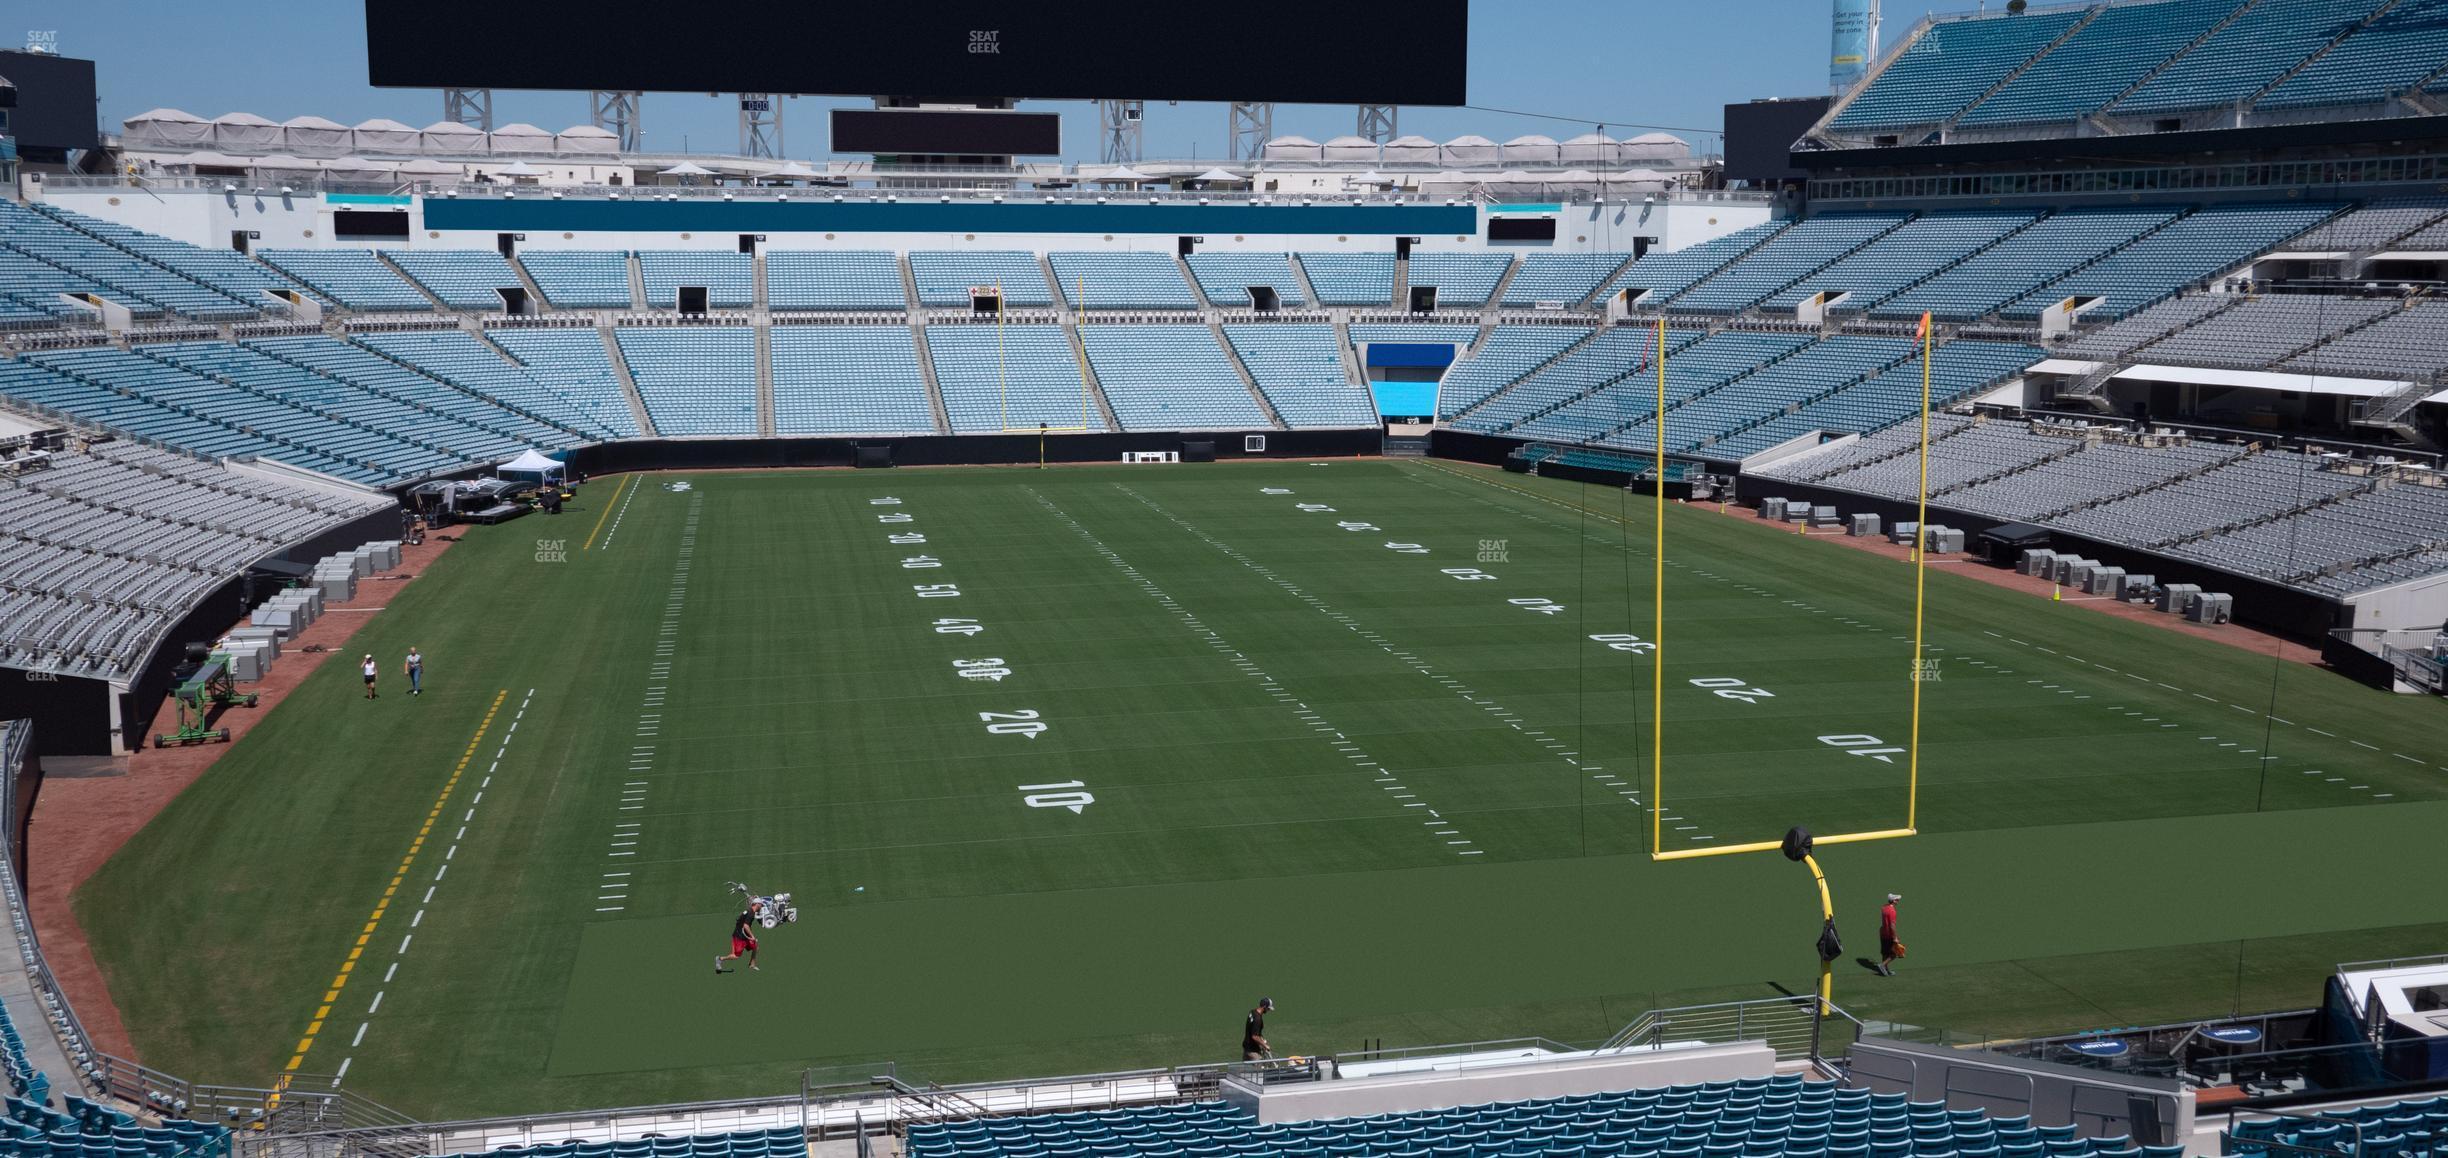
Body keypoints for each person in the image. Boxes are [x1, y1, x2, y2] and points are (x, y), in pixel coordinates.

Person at [717, 908, 759, 974]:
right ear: (757, 904)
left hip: (744, 935)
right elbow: (746, 926)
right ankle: (720, 959)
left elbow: (740, 921)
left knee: (755, 946)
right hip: (739, 937)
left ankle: (752, 964)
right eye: (761, 904)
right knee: (735, 956)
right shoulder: (750, 913)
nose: (762, 906)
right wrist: (752, 936)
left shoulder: (748, 911)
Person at [1878, 894, 1905, 976]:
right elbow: (1892, 926)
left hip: (1882, 933)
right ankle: (1882, 965)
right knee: (1895, 953)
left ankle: (1885, 970)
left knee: (1885, 953)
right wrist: (1895, 937)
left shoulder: (1884, 908)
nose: (1898, 901)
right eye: (1897, 899)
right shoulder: (1892, 911)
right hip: (1889, 935)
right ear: (1893, 901)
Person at [1243, 997, 1275, 1061]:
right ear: (1264, 1007)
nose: (1268, 1010)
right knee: (1258, 1070)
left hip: (1246, 1047)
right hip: (1253, 1051)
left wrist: (1262, 1039)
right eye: (1268, 1008)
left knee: (1246, 1069)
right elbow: (1255, 1036)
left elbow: (1253, 1030)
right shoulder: (1258, 1019)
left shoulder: (1252, 1012)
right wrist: (1265, 1045)